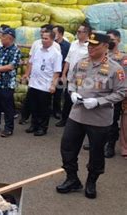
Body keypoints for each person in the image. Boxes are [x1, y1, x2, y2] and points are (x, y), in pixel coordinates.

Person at [57, 33, 126, 199]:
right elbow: (72, 79)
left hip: (99, 118)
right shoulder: (82, 62)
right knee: (67, 147)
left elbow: (122, 92)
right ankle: (72, 178)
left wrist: (99, 101)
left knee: (96, 153)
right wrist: (72, 91)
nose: (90, 48)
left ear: (105, 46)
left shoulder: (115, 69)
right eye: (89, 45)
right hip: (77, 114)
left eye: (94, 46)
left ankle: (91, 181)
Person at [19, 24, 60, 124]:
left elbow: (56, 72)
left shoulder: (56, 53)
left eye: (46, 38)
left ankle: (42, 127)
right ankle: (34, 125)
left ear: (52, 40)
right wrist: (26, 74)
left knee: (43, 108)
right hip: (34, 83)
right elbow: (31, 62)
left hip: (45, 85)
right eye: (42, 38)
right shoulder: (37, 49)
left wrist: (53, 85)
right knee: (33, 106)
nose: (43, 40)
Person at [104, 30, 127, 158]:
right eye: (108, 39)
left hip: (115, 94)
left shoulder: (122, 58)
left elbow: (124, 78)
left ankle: (110, 146)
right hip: (101, 92)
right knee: (98, 120)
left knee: (112, 121)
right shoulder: (102, 54)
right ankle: (98, 142)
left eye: (112, 39)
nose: (110, 42)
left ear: (118, 41)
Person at [52, 26, 71, 120]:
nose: (52, 34)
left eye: (54, 32)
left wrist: (63, 73)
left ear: (60, 33)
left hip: (61, 72)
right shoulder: (51, 43)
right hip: (50, 72)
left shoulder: (67, 46)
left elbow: (67, 60)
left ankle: (57, 111)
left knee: (58, 93)